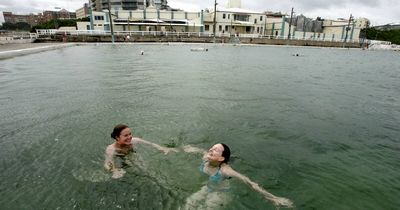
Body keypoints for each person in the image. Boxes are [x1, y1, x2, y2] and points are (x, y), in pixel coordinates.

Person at [182, 143, 293, 209]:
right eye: (211, 148)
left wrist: (273, 198)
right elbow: (188, 149)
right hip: (208, 187)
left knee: (206, 207)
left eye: (215, 150)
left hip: (221, 192)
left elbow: (248, 182)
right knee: (188, 203)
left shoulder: (225, 170)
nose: (210, 150)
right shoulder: (205, 158)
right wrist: (169, 149)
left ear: (221, 158)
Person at [104, 124, 177, 179]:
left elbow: (151, 144)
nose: (129, 137)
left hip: (131, 155)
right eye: (125, 135)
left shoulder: (134, 140)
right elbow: (108, 163)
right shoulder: (111, 149)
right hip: (119, 158)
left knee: (145, 169)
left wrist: (162, 148)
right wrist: (114, 170)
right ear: (117, 137)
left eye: (130, 134)